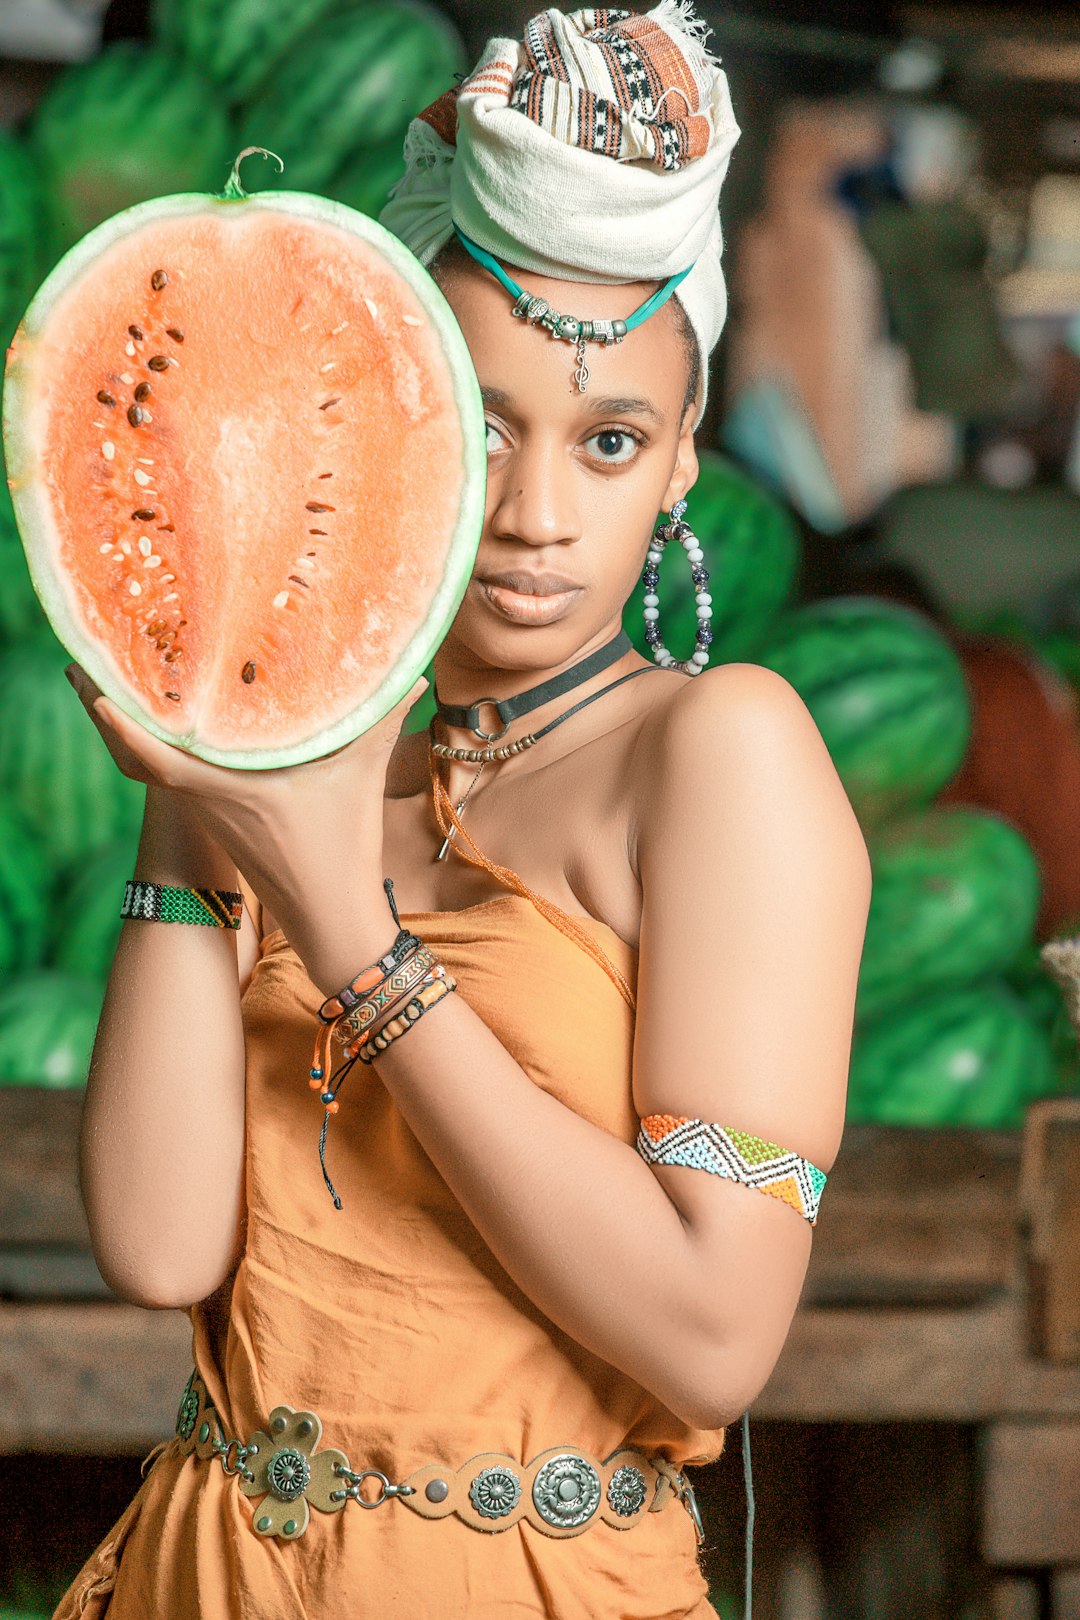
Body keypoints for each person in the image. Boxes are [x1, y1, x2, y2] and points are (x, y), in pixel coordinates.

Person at [52, 4, 871, 1616]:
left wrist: (347, 929)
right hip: (198, 1573)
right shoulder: (329, 763)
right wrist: (195, 764)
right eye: (481, 431)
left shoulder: (721, 754)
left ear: (686, 459)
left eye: (611, 440)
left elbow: (718, 1329)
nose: (536, 515)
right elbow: (156, 1250)